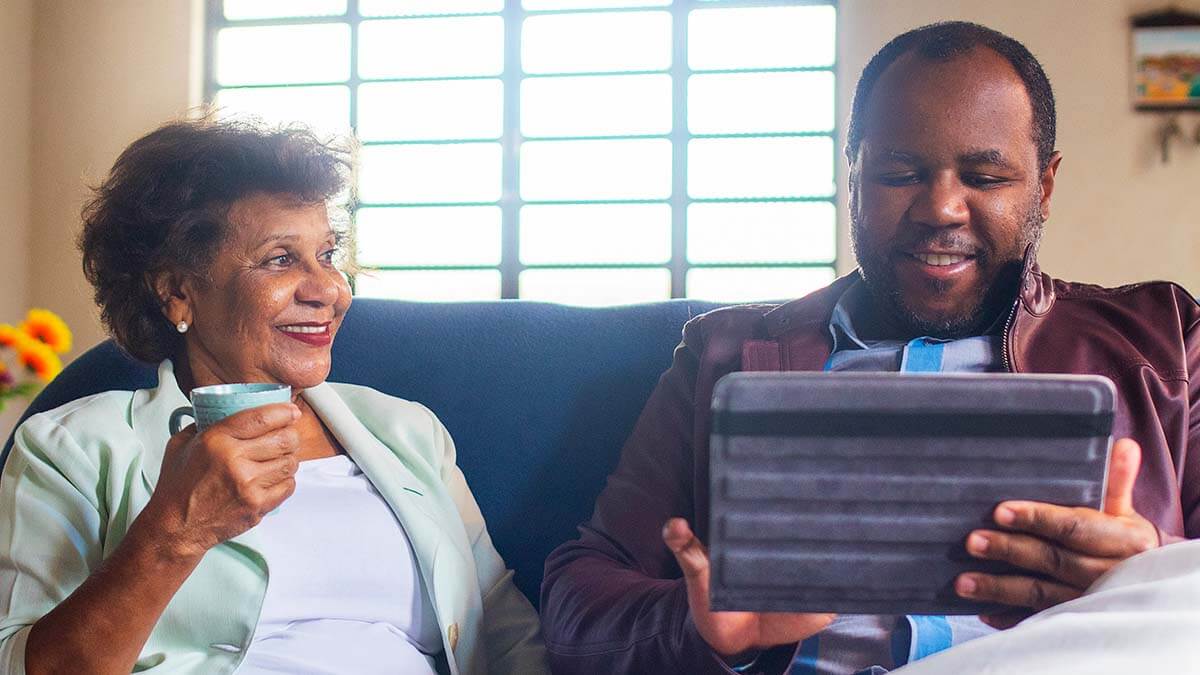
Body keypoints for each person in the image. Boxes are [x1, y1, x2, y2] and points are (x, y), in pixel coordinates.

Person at [540, 21, 1198, 675]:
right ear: (852, 176)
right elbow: (578, 600)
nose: (940, 207)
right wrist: (707, 627)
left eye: (984, 176)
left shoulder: (1169, 339)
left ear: (1043, 187)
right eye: (898, 172)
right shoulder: (724, 353)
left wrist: (1149, 570)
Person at [0, 118, 548, 674]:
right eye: (281, 259)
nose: (330, 291)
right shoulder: (69, 448)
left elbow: (502, 629)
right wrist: (176, 534)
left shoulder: (409, 431)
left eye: (328, 255)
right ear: (177, 292)